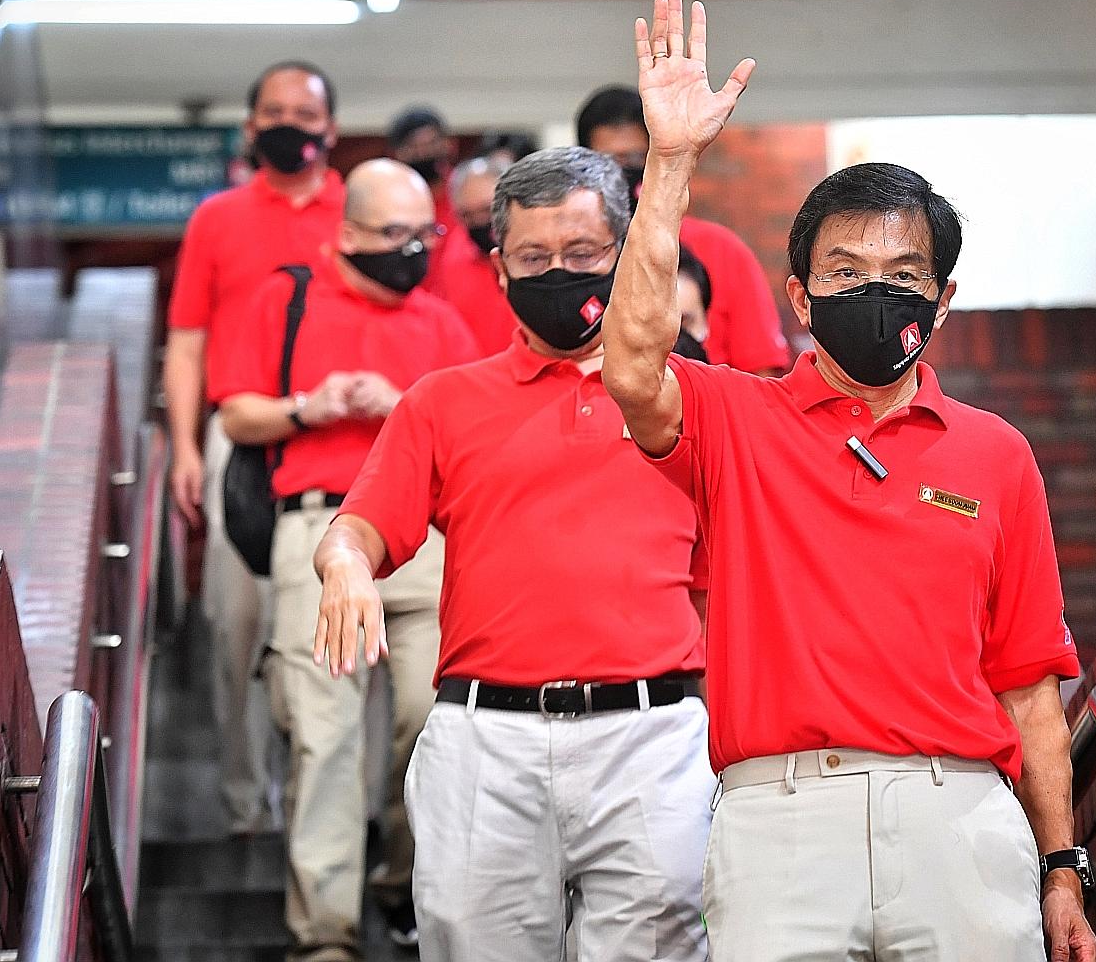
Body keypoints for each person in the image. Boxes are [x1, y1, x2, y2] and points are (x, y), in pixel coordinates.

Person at [602, 0, 1096, 961]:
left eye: (903, 274)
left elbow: (1030, 687)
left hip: (960, 819)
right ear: (798, 293)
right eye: (844, 271)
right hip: (781, 824)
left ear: (944, 299)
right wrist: (668, 164)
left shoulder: (995, 452)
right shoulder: (735, 417)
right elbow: (629, 366)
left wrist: (1061, 864)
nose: (876, 292)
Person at [312, 147, 714, 962]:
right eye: (534, 258)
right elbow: (358, 526)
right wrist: (346, 564)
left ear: (625, 253)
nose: (557, 273)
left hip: (653, 737)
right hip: (482, 742)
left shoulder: (695, 397)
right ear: (499, 268)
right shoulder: (441, 402)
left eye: (582, 254)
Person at [216, 159, 479, 961]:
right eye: (394, 235)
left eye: (423, 235)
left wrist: (403, 405)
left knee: (429, 722)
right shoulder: (284, 299)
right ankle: (323, 933)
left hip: (426, 540)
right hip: (316, 530)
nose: (412, 251)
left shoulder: (439, 321)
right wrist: (310, 405)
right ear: (351, 233)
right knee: (323, 737)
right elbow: (237, 413)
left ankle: (402, 881)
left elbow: (476, 431)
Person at [164, 60, 344, 838]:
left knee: (330, 628)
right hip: (237, 435)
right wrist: (183, 447)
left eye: (305, 114)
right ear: (248, 127)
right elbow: (185, 341)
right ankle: (245, 803)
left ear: (330, 129)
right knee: (235, 623)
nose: (289, 126)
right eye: (273, 111)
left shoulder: (360, 210)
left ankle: (330, 807)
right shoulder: (217, 218)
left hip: (339, 436)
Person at [576, 84, 790, 376]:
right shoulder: (572, 257)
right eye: (609, 163)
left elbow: (761, 373)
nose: (623, 172)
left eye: (636, 159)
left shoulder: (721, 250)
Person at [423, 154, 515, 355]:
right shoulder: (450, 262)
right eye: (467, 215)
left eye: (486, 210)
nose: (480, 222)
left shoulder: (543, 253)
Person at [388, 105, 459, 234]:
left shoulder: (464, 189)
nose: (424, 153)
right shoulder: (388, 199)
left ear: (449, 144)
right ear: (396, 154)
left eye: (432, 144)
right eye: (414, 147)